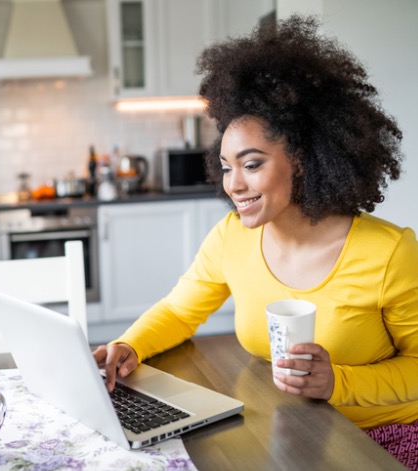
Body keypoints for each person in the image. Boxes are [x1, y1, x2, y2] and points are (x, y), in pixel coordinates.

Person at [93, 15, 418, 469]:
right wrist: (128, 346)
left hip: (384, 436)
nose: (234, 185)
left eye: (251, 164)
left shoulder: (388, 251)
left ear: (302, 160)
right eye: (226, 167)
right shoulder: (232, 239)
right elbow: (178, 310)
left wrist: (338, 383)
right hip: (294, 428)